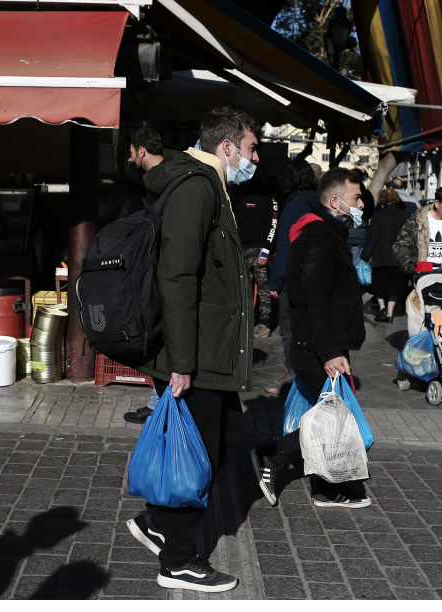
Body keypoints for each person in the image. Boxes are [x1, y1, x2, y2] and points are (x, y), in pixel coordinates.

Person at [125, 107, 257, 593]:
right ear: (228, 147)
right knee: (193, 451)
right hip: (194, 351)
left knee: (229, 434)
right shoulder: (199, 187)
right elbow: (176, 275)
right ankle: (178, 559)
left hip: (210, 348)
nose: (254, 157)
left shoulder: (210, 184)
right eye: (251, 148)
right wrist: (180, 362)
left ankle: (158, 522)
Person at [250, 168, 370, 509]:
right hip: (315, 347)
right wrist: (330, 351)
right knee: (333, 418)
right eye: (356, 198)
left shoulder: (329, 234)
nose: (362, 204)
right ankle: (272, 457)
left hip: (321, 343)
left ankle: (324, 488)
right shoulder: (319, 238)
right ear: (335, 201)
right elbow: (315, 298)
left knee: (326, 414)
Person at [121, 129, 166, 425]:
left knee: (161, 337)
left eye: (130, 152)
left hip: (163, 271)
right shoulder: (159, 180)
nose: (128, 158)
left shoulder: (161, 182)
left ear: (141, 151)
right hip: (159, 269)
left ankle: (158, 405)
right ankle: (156, 402)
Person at [264, 160, 319, 395]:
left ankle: (293, 377)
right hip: (315, 278)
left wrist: (276, 281)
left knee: (289, 331)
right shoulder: (318, 203)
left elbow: (286, 248)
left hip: (293, 280)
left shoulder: (295, 206)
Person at [234, 166, 277, 338]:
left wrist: (265, 251)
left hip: (260, 251)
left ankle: (264, 325)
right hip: (241, 249)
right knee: (241, 289)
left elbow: (273, 226)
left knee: (263, 290)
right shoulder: (241, 197)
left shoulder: (270, 199)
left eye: (261, 174)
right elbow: (235, 222)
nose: (257, 177)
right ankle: (243, 323)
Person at [392, 185, 442, 275]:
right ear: (437, 203)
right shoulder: (417, 220)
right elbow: (400, 245)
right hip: (421, 276)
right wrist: (409, 264)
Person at [361, 189, 409, 323]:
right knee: (394, 286)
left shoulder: (379, 216)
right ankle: (390, 313)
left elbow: (372, 237)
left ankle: (382, 307)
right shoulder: (404, 215)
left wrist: (365, 256)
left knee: (380, 285)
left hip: (380, 255)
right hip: (398, 256)